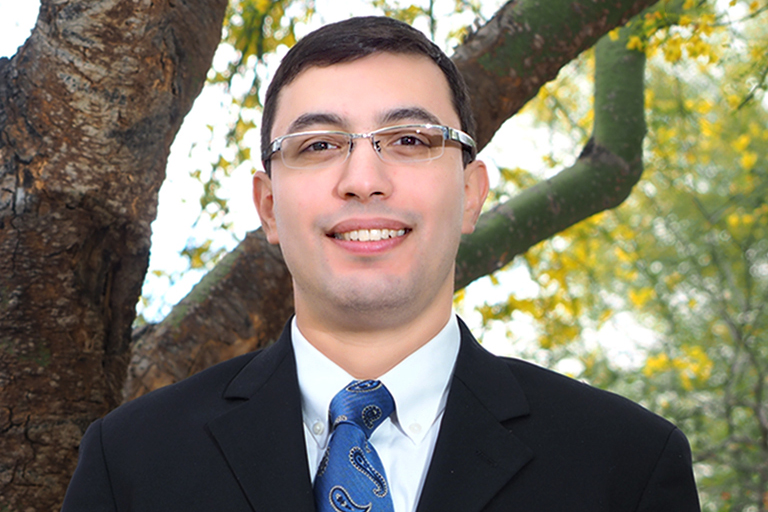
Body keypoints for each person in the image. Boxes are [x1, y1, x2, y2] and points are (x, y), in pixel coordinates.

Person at [62, 16, 701, 512]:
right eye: (318, 144)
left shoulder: (627, 464)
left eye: (410, 140)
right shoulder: (131, 461)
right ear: (269, 208)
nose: (363, 179)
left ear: (472, 193)